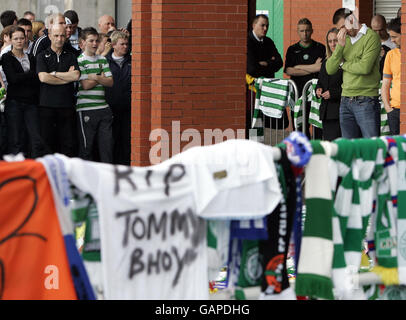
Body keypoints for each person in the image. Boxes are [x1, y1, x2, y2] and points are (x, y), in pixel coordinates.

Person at [326, 9, 381, 139]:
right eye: (339, 29)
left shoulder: (371, 37)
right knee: (349, 147)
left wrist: (343, 64)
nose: (341, 32)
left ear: (352, 20)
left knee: (371, 146)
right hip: (345, 100)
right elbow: (329, 69)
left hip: (366, 99)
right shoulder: (344, 40)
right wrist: (340, 46)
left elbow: (364, 67)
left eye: (343, 27)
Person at [36, 24, 80, 156]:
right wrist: (67, 77)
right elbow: (43, 77)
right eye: (56, 35)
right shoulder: (42, 56)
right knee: (47, 143)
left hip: (66, 105)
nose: (59, 39)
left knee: (68, 143)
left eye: (62, 35)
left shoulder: (71, 56)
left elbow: (76, 75)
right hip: (46, 105)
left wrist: (54, 73)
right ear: (49, 36)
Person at [2, 26, 44, 158]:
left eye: (21, 38)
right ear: (11, 40)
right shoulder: (6, 57)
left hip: (31, 103)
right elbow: (13, 79)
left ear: (26, 39)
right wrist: (30, 74)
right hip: (14, 103)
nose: (19, 41)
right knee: (15, 139)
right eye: (16, 38)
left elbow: (37, 80)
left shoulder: (31, 57)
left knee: (35, 138)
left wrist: (26, 76)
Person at [76, 27, 114, 163]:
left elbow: (110, 82)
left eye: (96, 41)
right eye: (91, 41)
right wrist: (100, 76)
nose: (94, 44)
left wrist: (94, 77)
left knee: (107, 149)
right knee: (87, 149)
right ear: (83, 42)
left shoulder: (102, 59)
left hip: (103, 109)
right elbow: (85, 85)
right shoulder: (79, 61)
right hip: (86, 109)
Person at [247, 14, 285, 143]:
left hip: (267, 91)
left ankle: (266, 146)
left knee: (268, 123)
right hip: (252, 91)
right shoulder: (248, 41)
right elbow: (251, 68)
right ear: (254, 25)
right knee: (254, 121)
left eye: (267, 25)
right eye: (262, 25)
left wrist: (265, 63)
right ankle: (253, 145)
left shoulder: (268, 42)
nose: (265, 28)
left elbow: (279, 63)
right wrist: (270, 63)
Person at [284, 18, 325, 136]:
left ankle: (317, 151)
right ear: (297, 32)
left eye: (307, 30)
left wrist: (298, 67)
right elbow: (289, 70)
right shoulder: (292, 49)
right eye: (301, 31)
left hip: (315, 94)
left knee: (317, 127)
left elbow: (320, 68)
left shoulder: (320, 48)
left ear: (312, 31)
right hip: (298, 94)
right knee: (300, 127)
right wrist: (313, 68)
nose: (305, 33)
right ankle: (302, 151)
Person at [105, 31, 131, 165]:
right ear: (114, 45)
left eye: (127, 44)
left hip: (128, 109)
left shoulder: (132, 61)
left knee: (127, 143)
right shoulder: (105, 61)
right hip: (110, 109)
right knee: (111, 143)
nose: (125, 47)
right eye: (122, 44)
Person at [315, 28, 342, 141]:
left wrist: (333, 93)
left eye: (335, 40)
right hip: (326, 111)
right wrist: (318, 89)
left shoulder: (345, 60)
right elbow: (320, 81)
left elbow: (349, 85)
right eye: (330, 41)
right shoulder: (326, 62)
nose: (332, 44)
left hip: (339, 110)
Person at [381, 18, 401, 135]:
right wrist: (388, 108)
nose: (392, 40)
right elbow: (385, 84)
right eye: (391, 37)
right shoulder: (390, 55)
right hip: (394, 110)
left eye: (395, 37)